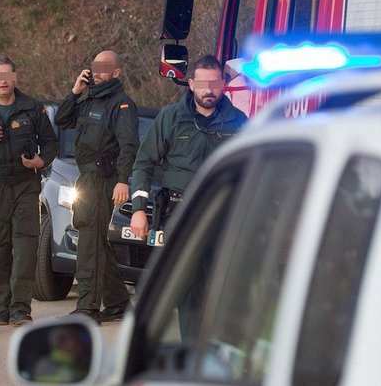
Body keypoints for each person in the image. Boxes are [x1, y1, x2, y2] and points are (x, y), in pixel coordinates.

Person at [54, 50, 139, 323]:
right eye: (95, 67)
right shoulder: (88, 98)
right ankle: (117, 303)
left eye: (104, 68)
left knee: (89, 244)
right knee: (95, 243)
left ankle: (88, 308)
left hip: (104, 180)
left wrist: (123, 180)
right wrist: (75, 91)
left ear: (116, 73)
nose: (98, 72)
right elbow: (62, 120)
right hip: (86, 179)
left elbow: (129, 146)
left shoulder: (121, 104)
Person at [129, 55, 247, 239]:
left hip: (222, 215)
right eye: (202, 84)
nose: (208, 90)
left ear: (223, 84)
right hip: (178, 214)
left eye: (215, 83)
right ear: (191, 84)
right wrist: (138, 209)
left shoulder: (239, 121)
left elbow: (251, 168)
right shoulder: (171, 117)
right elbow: (144, 163)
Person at [0, 55, 59, 327]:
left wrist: (41, 161)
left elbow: (50, 143)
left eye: (7, 75)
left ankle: (20, 309)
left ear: (15, 78)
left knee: (25, 247)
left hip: (26, 185)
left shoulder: (33, 109)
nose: (2, 80)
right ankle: (1, 308)